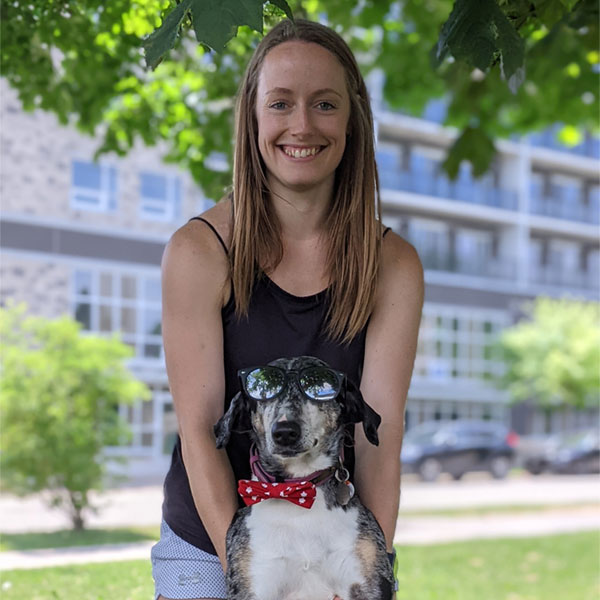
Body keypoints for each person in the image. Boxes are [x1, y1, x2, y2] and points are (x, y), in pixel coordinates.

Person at [151, 18, 424, 600]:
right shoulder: (200, 251)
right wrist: (250, 578)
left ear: (352, 121)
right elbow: (201, 431)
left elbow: (382, 436)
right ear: (253, 118)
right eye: (281, 104)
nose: (302, 125)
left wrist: (362, 572)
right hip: (211, 536)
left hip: (335, 534)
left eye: (324, 104)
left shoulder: (393, 262)